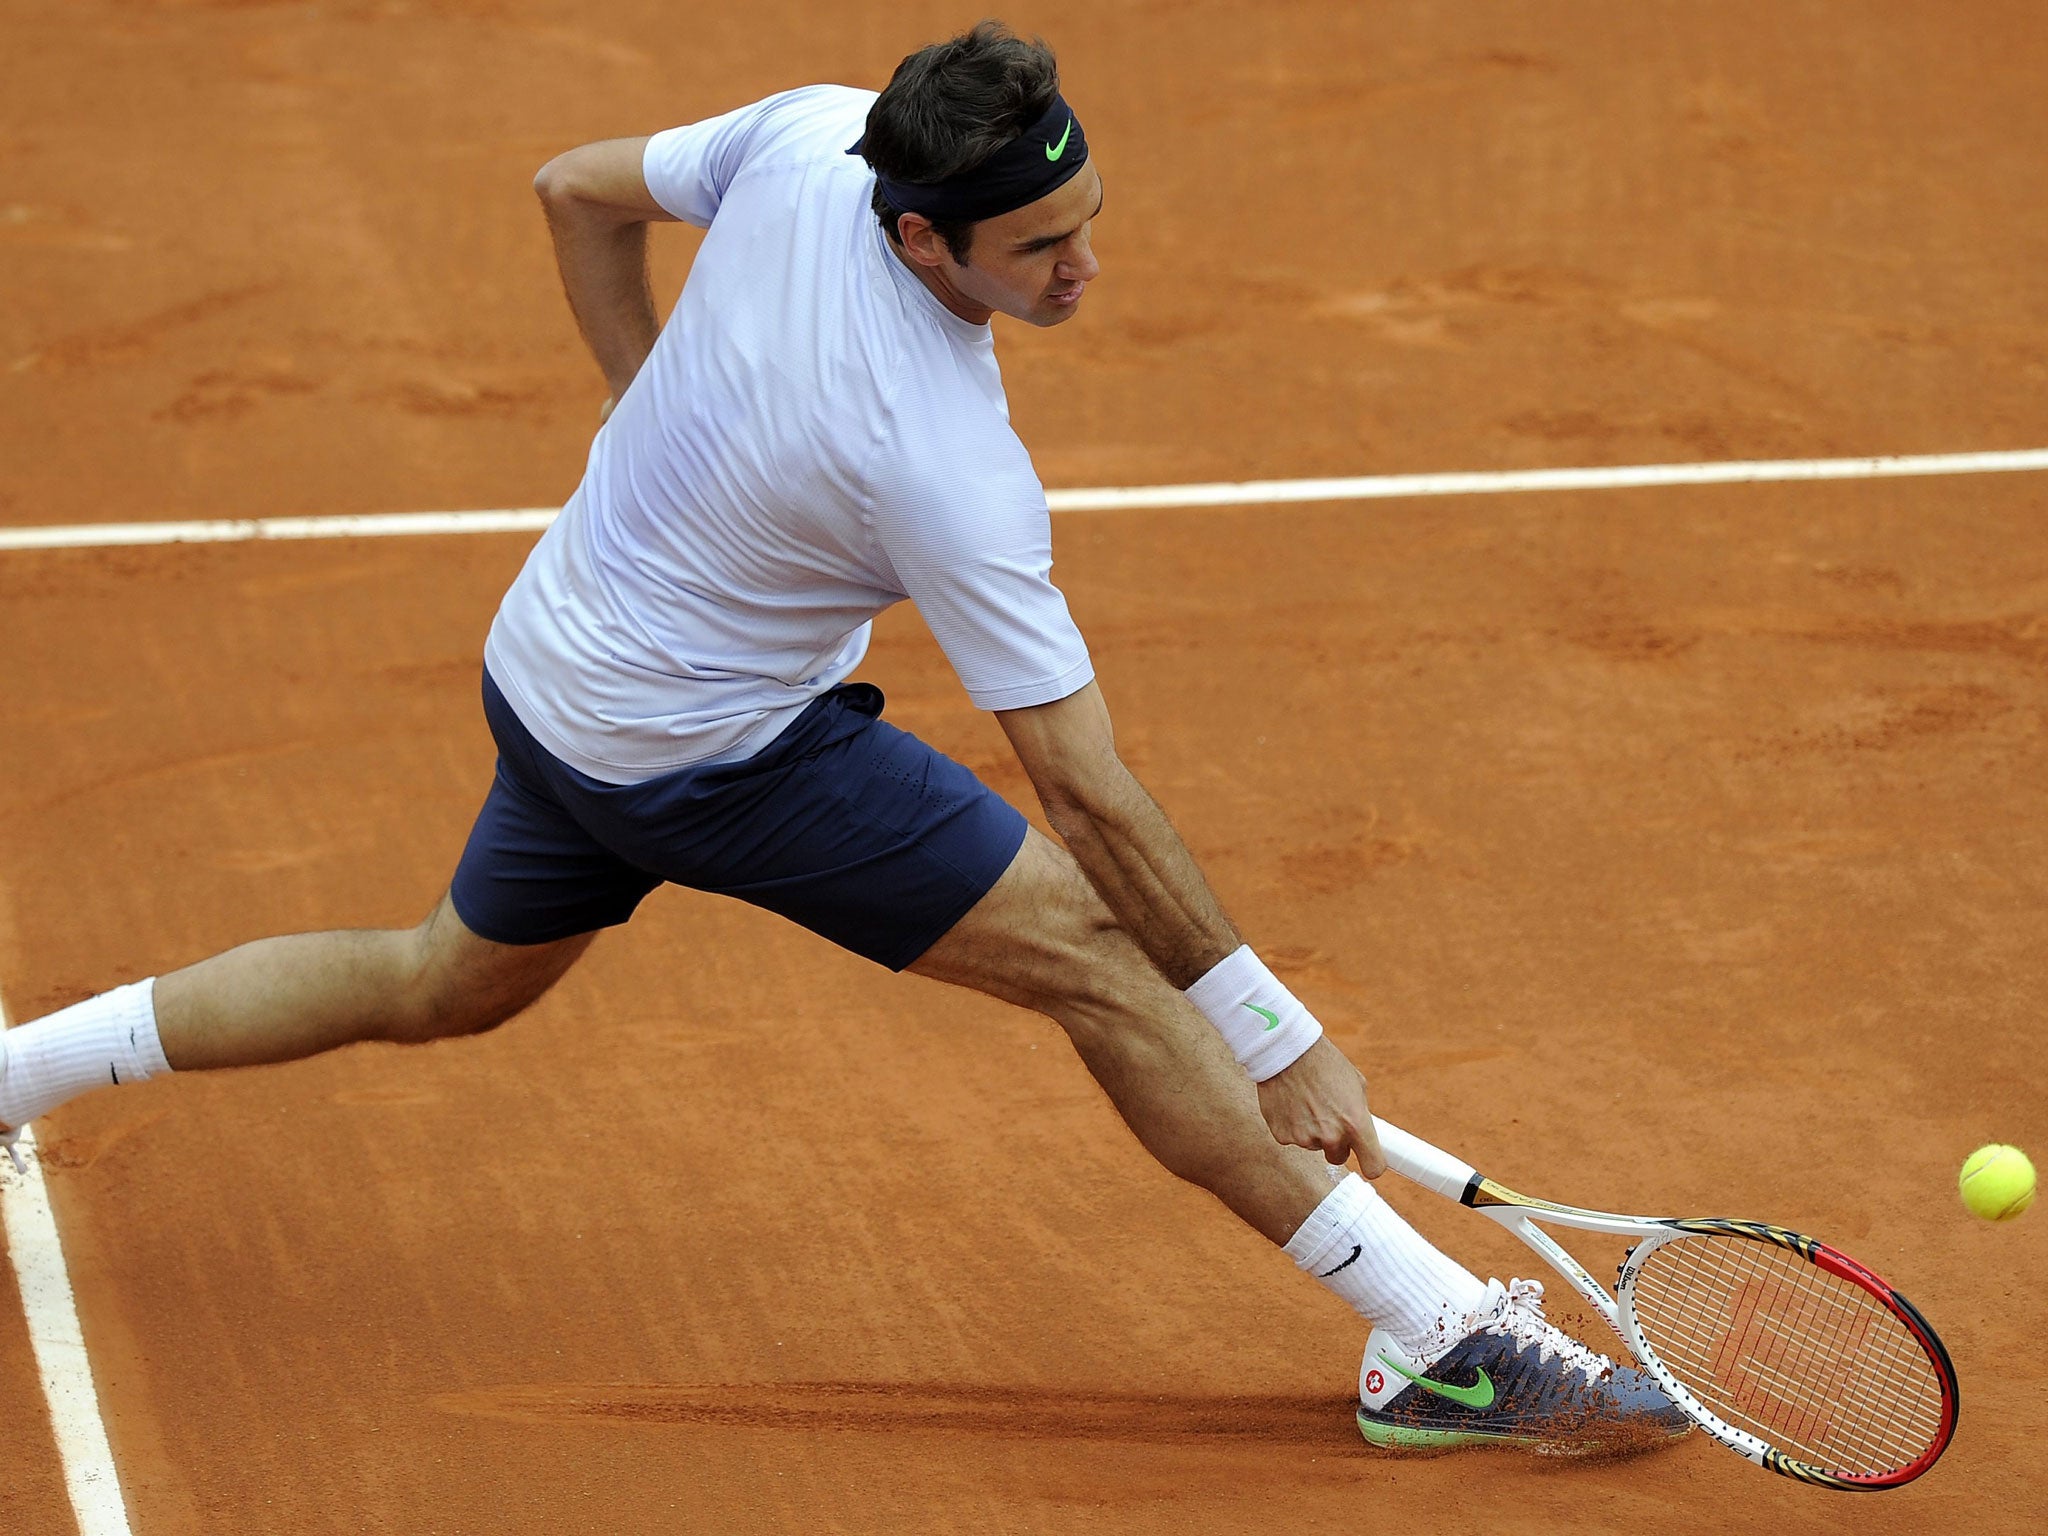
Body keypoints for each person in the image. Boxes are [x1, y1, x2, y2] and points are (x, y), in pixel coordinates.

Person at [0, 22, 1684, 1454]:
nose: (1085, 269)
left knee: (444, 978)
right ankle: (1439, 1337)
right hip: (712, 755)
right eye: (1038, 249)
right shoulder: (940, 463)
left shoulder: (811, 138)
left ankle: (14, 1072)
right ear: (922, 243)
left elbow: (572, 192)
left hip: (553, 660)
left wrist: (639, 398)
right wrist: (1274, 1033)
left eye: (1088, 222)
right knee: (1107, 958)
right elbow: (1085, 790)